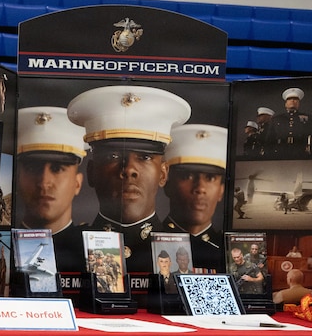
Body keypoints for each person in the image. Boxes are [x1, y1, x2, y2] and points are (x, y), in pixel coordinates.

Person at [67, 84, 191, 273]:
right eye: (113, 156)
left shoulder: (194, 254)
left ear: (163, 174)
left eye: (145, 157)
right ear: (91, 173)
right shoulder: (64, 251)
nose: (129, 169)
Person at [12, 106, 88, 272]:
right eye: (33, 168)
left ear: (77, 183)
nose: (44, 182)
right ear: (17, 180)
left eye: (57, 169)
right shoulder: (1, 250)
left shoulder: (91, 256)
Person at [161, 124, 227, 271]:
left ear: (221, 191)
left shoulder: (228, 253)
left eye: (210, 178)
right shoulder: (145, 246)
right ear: (167, 184)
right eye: (187, 176)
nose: (200, 188)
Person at [263, 87, 312, 159]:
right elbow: (269, 139)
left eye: (295, 99)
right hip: (280, 152)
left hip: (300, 152)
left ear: (299, 103)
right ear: (285, 104)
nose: (292, 101)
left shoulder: (308, 118)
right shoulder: (277, 119)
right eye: (289, 99)